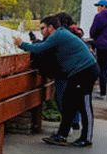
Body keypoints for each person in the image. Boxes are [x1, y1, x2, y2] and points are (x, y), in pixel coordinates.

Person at [15, 15, 99, 147]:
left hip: (85, 71)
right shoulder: (60, 34)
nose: (42, 31)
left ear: (50, 27)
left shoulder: (57, 35)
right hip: (78, 72)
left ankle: (86, 138)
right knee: (68, 103)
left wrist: (22, 44)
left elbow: (40, 48)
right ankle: (62, 135)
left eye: (43, 28)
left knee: (84, 104)